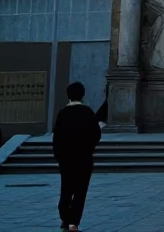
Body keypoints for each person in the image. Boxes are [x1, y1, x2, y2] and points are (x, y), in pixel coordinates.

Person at [52, 81, 101, 232]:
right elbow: (96, 134)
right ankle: (73, 223)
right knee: (80, 191)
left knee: (66, 189)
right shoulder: (88, 112)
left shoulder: (62, 113)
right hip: (84, 158)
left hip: (66, 159)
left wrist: (59, 155)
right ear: (83, 95)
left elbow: (56, 137)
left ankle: (65, 217)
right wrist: (89, 148)